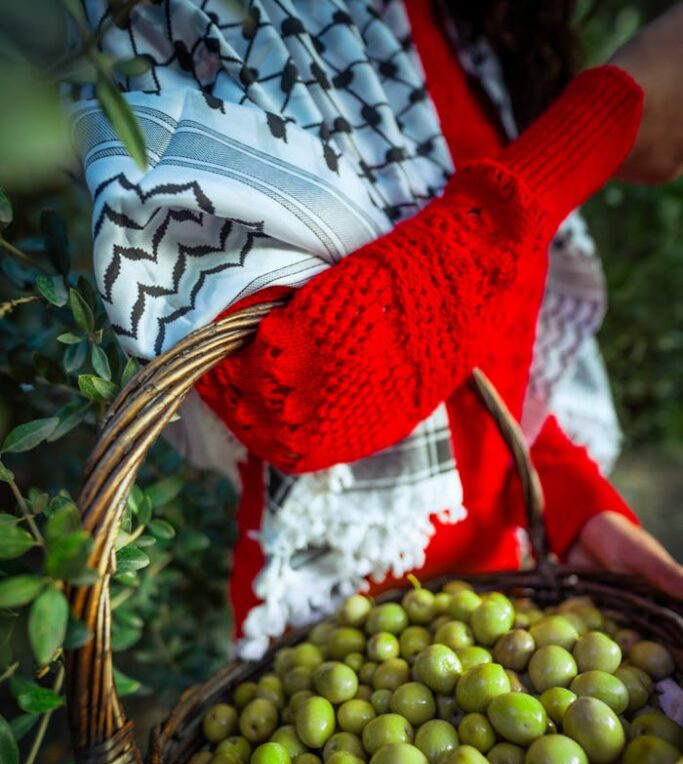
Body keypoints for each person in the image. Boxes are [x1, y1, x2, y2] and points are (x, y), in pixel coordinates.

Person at [74, 1, 683, 667]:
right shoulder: (200, 20)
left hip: (507, 599)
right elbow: (294, 392)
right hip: (341, 638)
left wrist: (569, 504)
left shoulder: (456, 28)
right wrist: (605, 115)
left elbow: (482, 340)